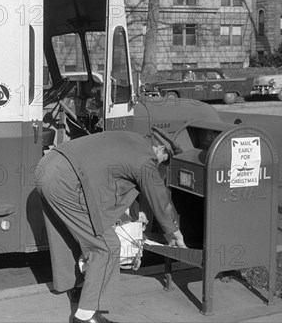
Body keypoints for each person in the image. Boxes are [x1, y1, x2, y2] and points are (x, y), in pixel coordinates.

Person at [36, 127, 186, 323]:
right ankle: (86, 315)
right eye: (161, 160)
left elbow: (114, 177)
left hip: (47, 166)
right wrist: (174, 231)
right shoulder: (145, 157)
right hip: (66, 180)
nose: (158, 164)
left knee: (67, 234)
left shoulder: (130, 138)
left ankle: (78, 287)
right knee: (106, 247)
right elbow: (158, 195)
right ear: (158, 149)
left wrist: (135, 211)